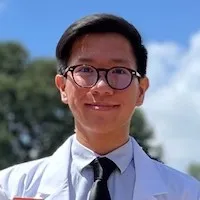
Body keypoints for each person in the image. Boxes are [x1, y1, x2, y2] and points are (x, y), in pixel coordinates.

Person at [0, 13, 200, 200]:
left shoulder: (188, 193)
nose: (102, 87)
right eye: (85, 69)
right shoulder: (9, 188)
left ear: (141, 90)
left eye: (119, 71)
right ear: (62, 87)